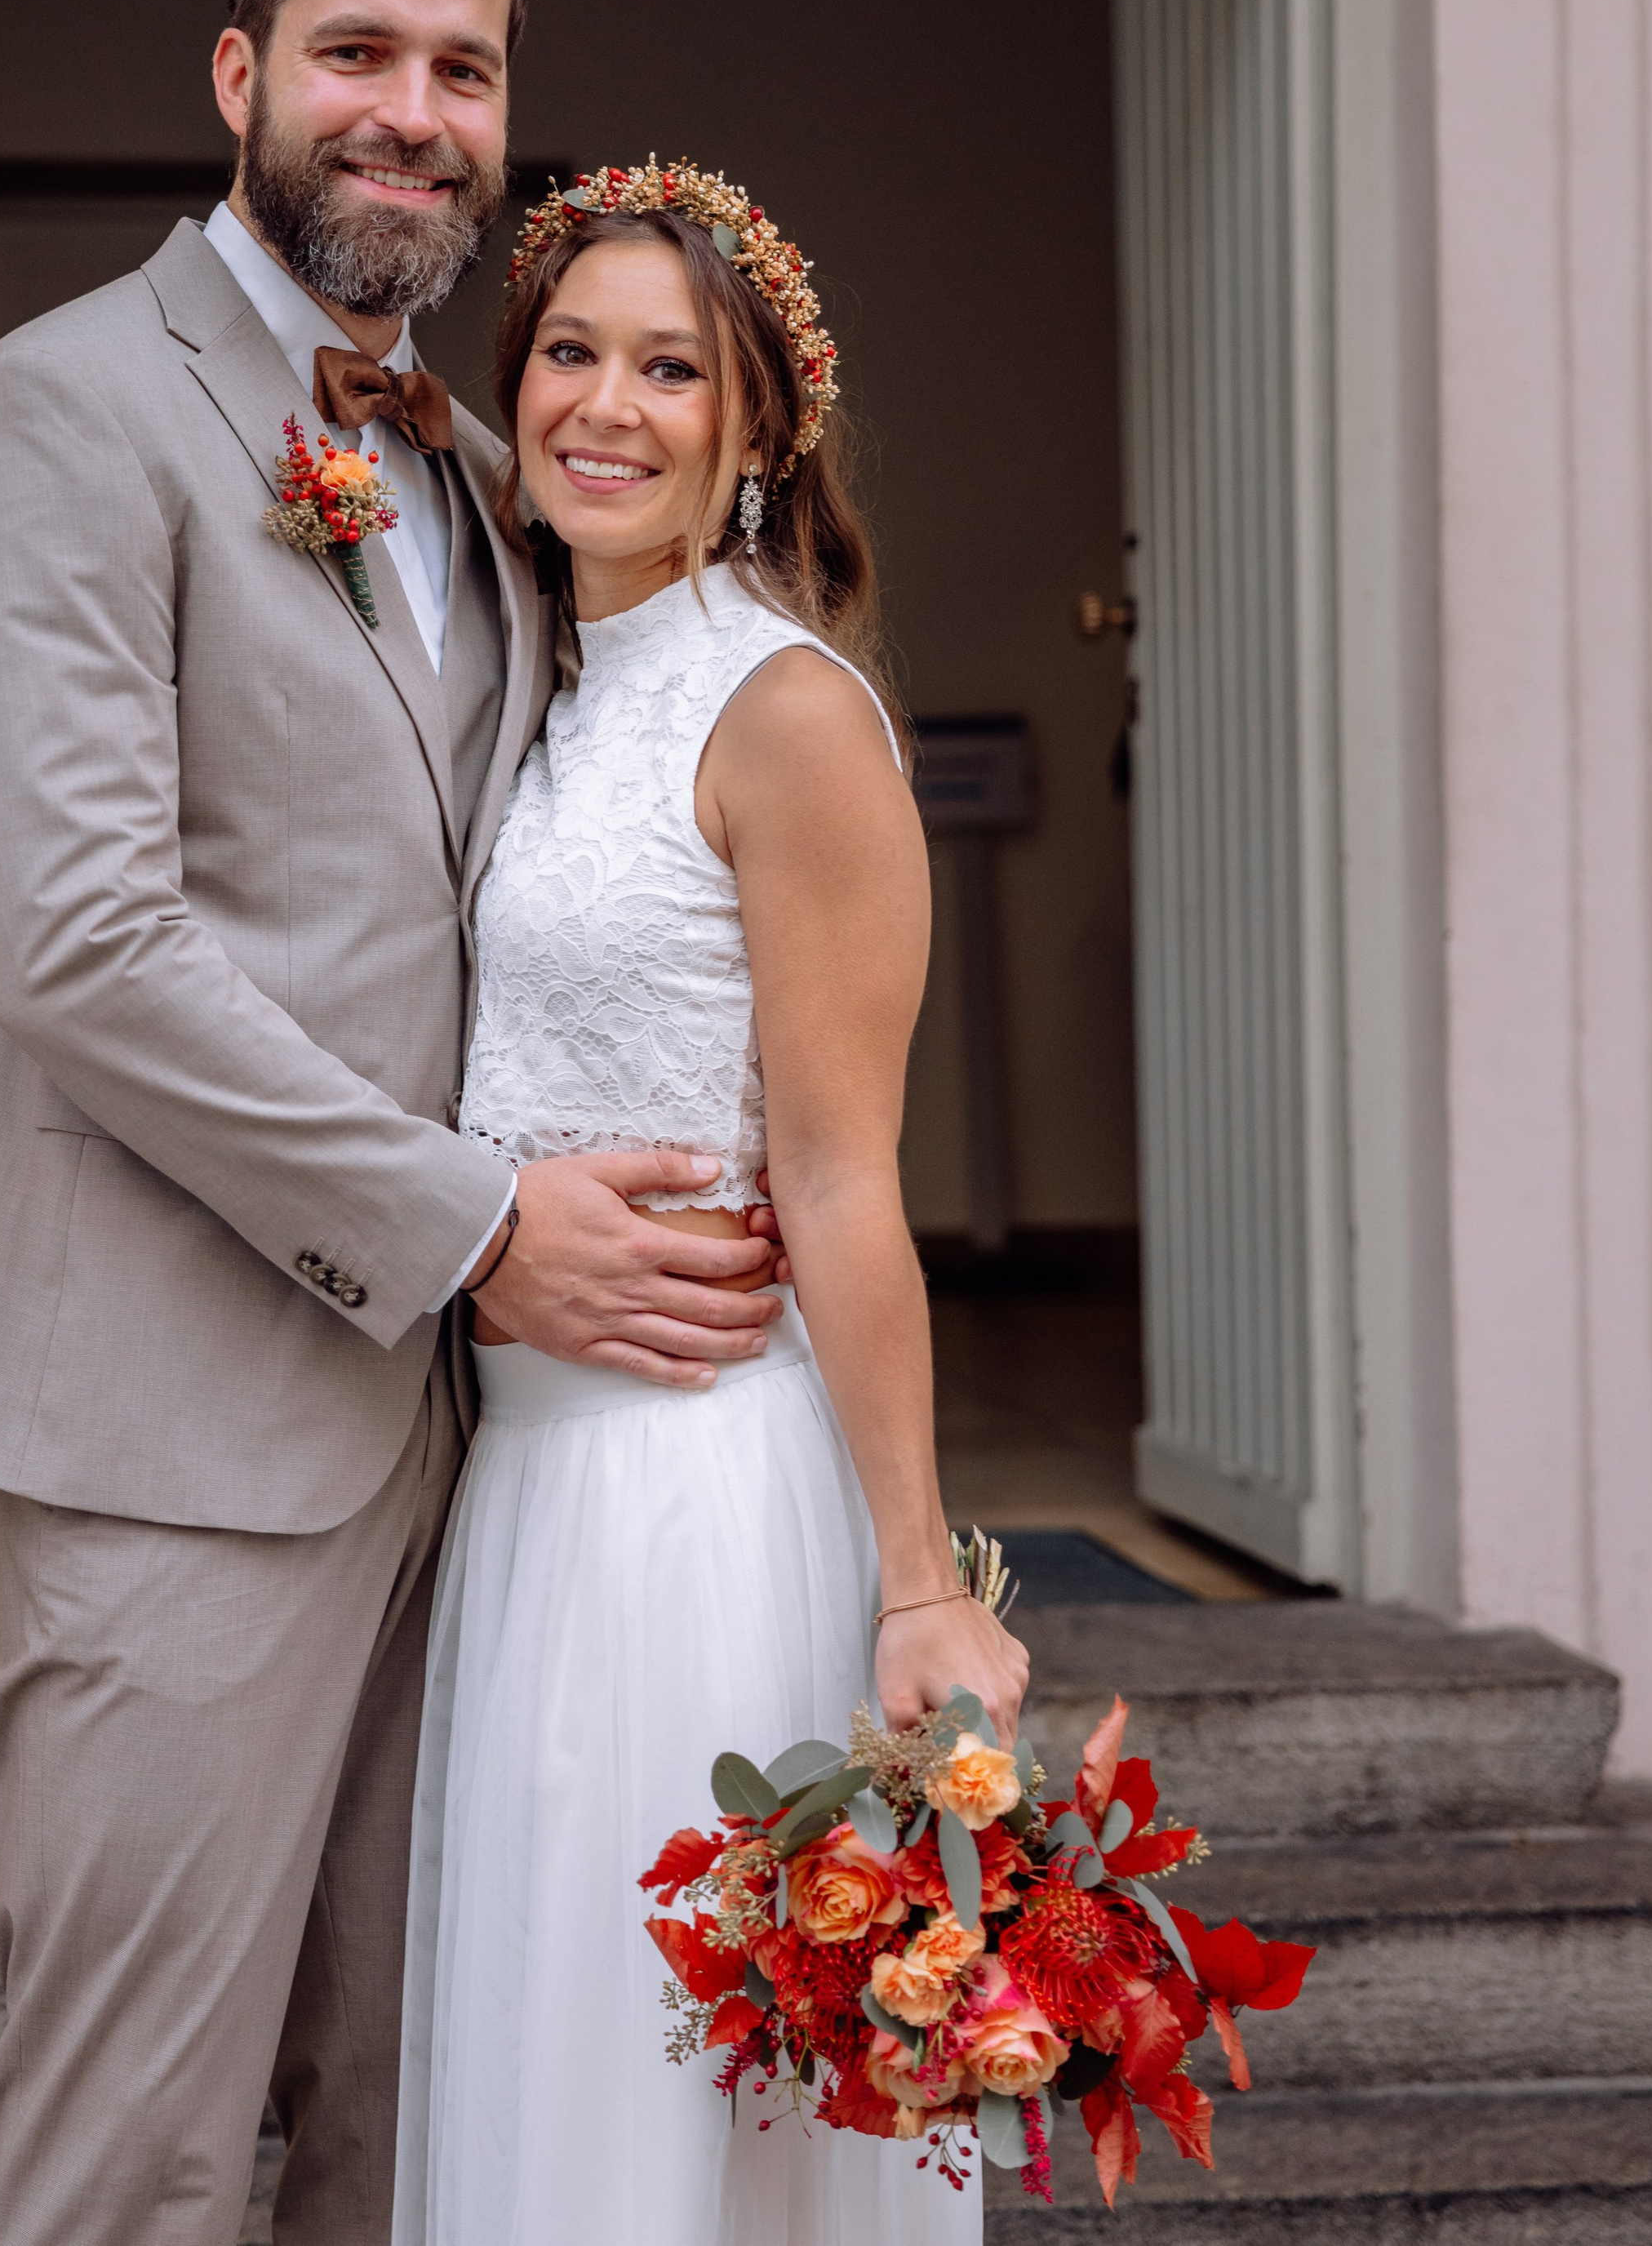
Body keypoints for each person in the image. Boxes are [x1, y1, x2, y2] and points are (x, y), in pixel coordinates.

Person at [0, 0, 786, 2246]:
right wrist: (478, 1223)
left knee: (406, 2111)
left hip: (466, 1449)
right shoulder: (63, 412)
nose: (416, 111)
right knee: (137, 2129)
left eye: (464, 69)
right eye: (360, 53)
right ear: (243, 76)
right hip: (171, 1411)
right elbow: (74, 932)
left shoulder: (475, 468)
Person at [392, 161, 1031, 2244]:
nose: (606, 403)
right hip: (537, 1483)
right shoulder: (562, 690)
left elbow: (846, 1177)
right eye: (568, 351)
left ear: (757, 432)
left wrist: (922, 1578)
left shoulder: (786, 714)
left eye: (670, 367)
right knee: (558, 2063)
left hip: (695, 1490)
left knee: (686, 2107)